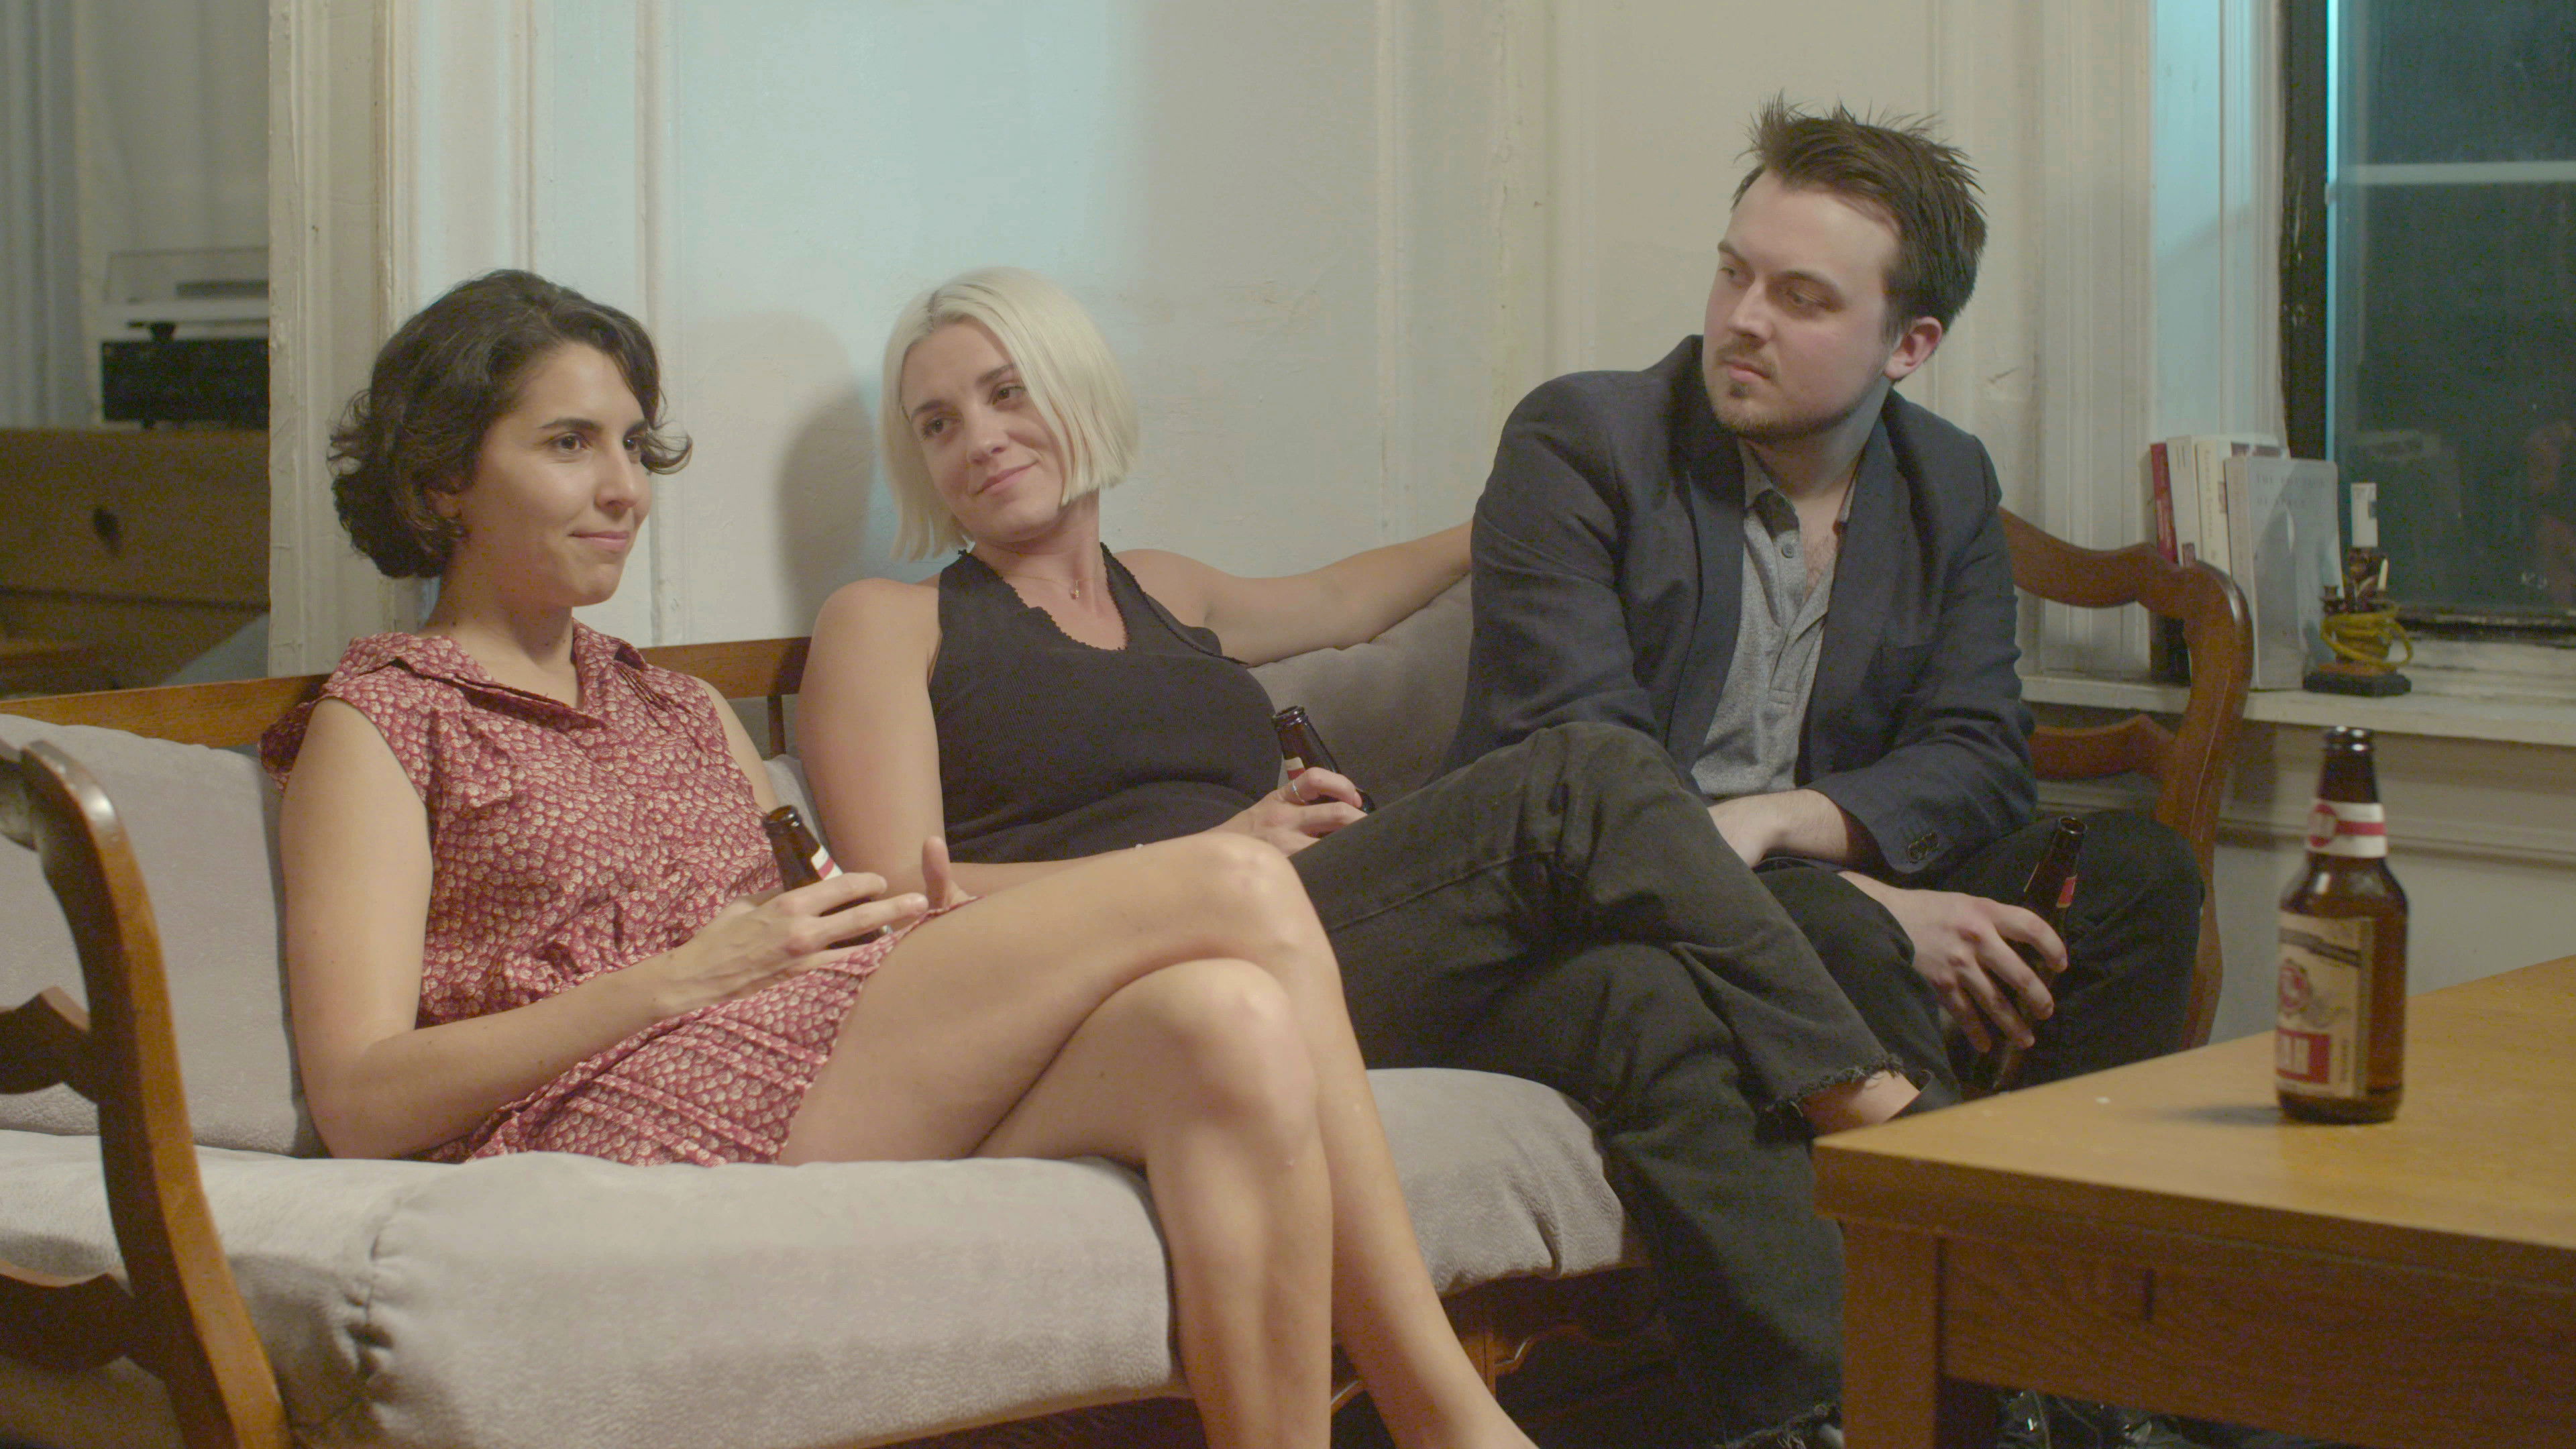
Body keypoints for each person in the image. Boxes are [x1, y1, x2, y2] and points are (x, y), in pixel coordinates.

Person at [263, 269, 1542, 1449]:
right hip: (617, 1110)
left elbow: (830, 914)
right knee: (1240, 881)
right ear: (444, 481)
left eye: (632, 447)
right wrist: (681, 979)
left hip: (813, 1050)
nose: (624, 489)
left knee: (1228, 1026)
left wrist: (832, 930)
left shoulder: (677, 706)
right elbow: (361, 1098)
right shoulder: (387, 723)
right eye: (567, 445)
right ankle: (1448, 1416)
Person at [801, 264, 1909, 1448]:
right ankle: (1899, 1125)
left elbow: (1348, 598)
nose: (978, 438)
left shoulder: (1168, 589)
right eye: (937, 423)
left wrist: (1541, 512)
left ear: (1076, 390)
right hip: (1150, 995)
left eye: (1007, 392)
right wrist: (1213, 853)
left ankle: (1819, 1421)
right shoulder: (889, 623)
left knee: (1644, 1005)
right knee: (1584, 776)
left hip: (1327, 956)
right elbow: (900, 896)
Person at [1445, 99, 2202, 1108]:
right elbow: (1583, 772)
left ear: (1909, 345)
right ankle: (1927, 1197)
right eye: (1734, 273)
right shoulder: (1586, 442)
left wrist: (1781, 821)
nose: (1743, 319)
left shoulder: (1946, 480)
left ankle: (2053, 1195)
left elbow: (1980, 755)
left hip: (1797, 862)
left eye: (1801, 298)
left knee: (2141, 874)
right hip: (1612, 896)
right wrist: (1866, 903)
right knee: (1841, 930)